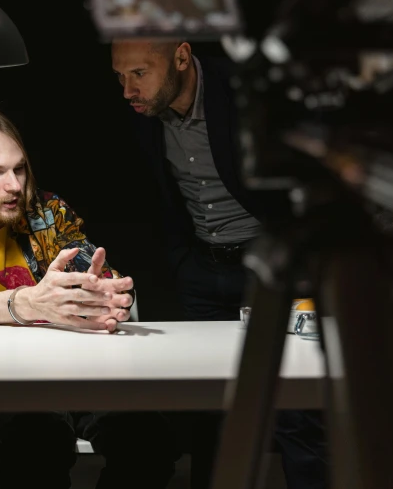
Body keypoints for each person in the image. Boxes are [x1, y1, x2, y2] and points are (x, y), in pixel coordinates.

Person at [0, 106, 182, 489]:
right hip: (7, 385)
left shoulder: (47, 212)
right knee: (38, 442)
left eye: (19, 169)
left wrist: (108, 290)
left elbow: (94, 267)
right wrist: (23, 304)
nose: (14, 185)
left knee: (149, 438)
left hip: (78, 372)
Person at [111, 38, 328, 489]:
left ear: (182, 58)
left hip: (267, 268)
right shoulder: (144, 113)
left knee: (294, 409)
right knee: (209, 410)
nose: (127, 90)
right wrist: (180, 261)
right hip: (201, 272)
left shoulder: (244, 91)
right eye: (119, 76)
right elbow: (145, 195)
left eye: (138, 74)